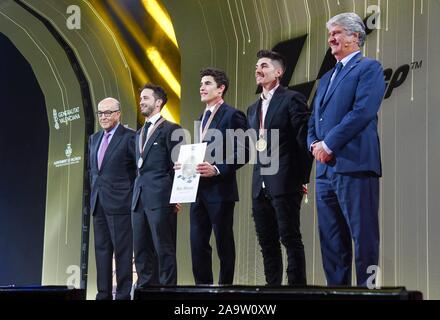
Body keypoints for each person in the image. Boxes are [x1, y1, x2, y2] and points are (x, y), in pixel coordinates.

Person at [307, 12, 385, 286]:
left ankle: (369, 293)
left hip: (355, 165)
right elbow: (313, 119)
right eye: (330, 33)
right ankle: (337, 293)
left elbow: (362, 111)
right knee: (331, 241)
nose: (331, 38)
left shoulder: (369, 68)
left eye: (337, 32)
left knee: (364, 239)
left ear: (355, 36)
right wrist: (314, 144)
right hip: (325, 170)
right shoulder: (327, 77)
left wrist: (329, 143)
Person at [247, 50, 312, 285]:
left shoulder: (291, 98)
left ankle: (296, 290)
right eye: (256, 66)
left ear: (278, 72)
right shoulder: (252, 109)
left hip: (285, 181)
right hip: (259, 185)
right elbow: (251, 147)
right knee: (267, 243)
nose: (258, 70)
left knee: (290, 239)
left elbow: (303, 138)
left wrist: (302, 178)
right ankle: (271, 290)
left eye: (263, 65)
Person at [189, 68, 248, 285]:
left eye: (207, 83)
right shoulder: (200, 118)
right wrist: (185, 166)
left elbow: (244, 152)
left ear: (221, 89)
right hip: (198, 190)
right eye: (201, 83)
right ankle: (202, 290)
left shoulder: (233, 115)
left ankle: (225, 290)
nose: (201, 87)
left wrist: (218, 168)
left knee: (224, 244)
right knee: (197, 245)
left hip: (221, 190)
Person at [132, 84, 182, 287]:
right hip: (139, 199)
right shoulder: (138, 134)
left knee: (164, 249)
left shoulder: (172, 129)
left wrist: (177, 197)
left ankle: (167, 292)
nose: (141, 101)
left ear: (158, 102)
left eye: (146, 98)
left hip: (161, 199)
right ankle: (145, 291)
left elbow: (179, 166)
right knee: (141, 250)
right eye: (140, 98)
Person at [88, 97, 135, 300]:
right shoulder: (94, 138)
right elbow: (94, 172)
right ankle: (103, 294)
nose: (103, 117)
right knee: (102, 252)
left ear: (118, 114)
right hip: (98, 203)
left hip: (121, 204)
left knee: (123, 253)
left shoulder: (130, 137)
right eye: (100, 113)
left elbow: (137, 171)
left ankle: (124, 295)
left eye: (108, 112)